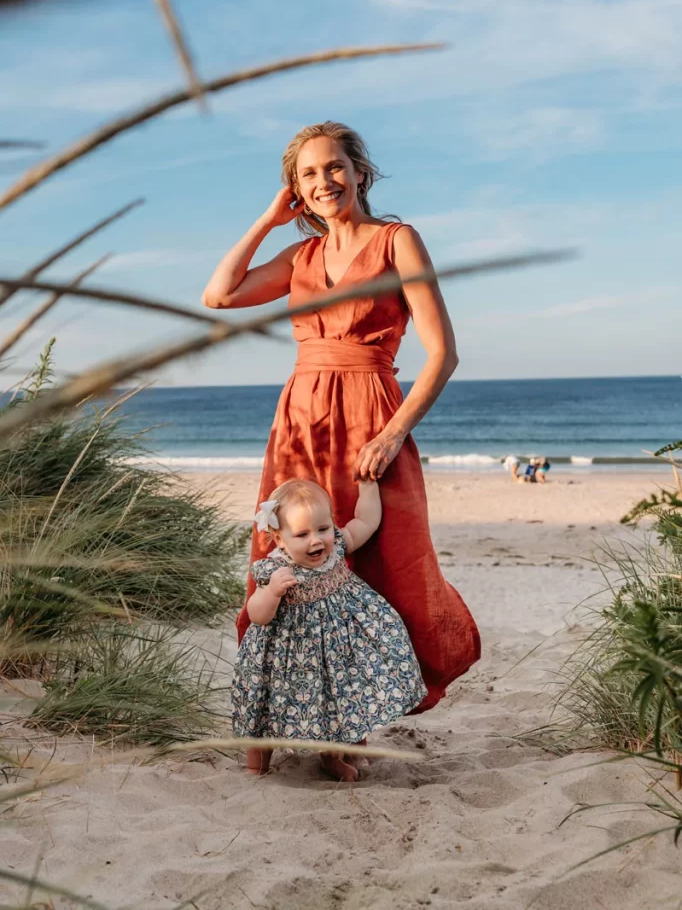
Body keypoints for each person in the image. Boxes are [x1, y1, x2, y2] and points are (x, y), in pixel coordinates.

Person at [203, 120, 480, 719]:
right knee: (289, 561)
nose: (324, 180)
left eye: (334, 166)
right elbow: (219, 296)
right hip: (300, 421)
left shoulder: (397, 240)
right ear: (295, 190)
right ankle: (293, 709)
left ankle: (358, 716)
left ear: (359, 170)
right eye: (308, 174)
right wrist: (268, 220)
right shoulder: (300, 254)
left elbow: (443, 354)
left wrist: (393, 432)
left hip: (371, 418)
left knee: (384, 563)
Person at [232, 478, 426, 780]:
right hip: (292, 658)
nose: (316, 541)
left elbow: (365, 522)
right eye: (302, 534)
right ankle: (257, 765)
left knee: (337, 701)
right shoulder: (275, 569)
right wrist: (272, 592)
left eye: (322, 529)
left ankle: (332, 757)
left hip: (338, 648)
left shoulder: (335, 548)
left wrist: (368, 488)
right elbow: (257, 616)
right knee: (265, 705)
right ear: (279, 539)